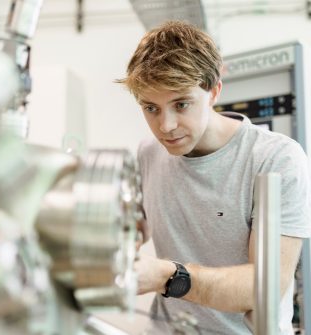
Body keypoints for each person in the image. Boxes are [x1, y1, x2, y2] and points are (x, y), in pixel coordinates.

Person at [117, 20, 311, 334]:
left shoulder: (276, 159)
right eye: (151, 108)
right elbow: (133, 228)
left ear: (214, 91)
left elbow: (266, 286)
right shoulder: (148, 153)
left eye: (181, 104)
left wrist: (169, 276)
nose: (166, 126)